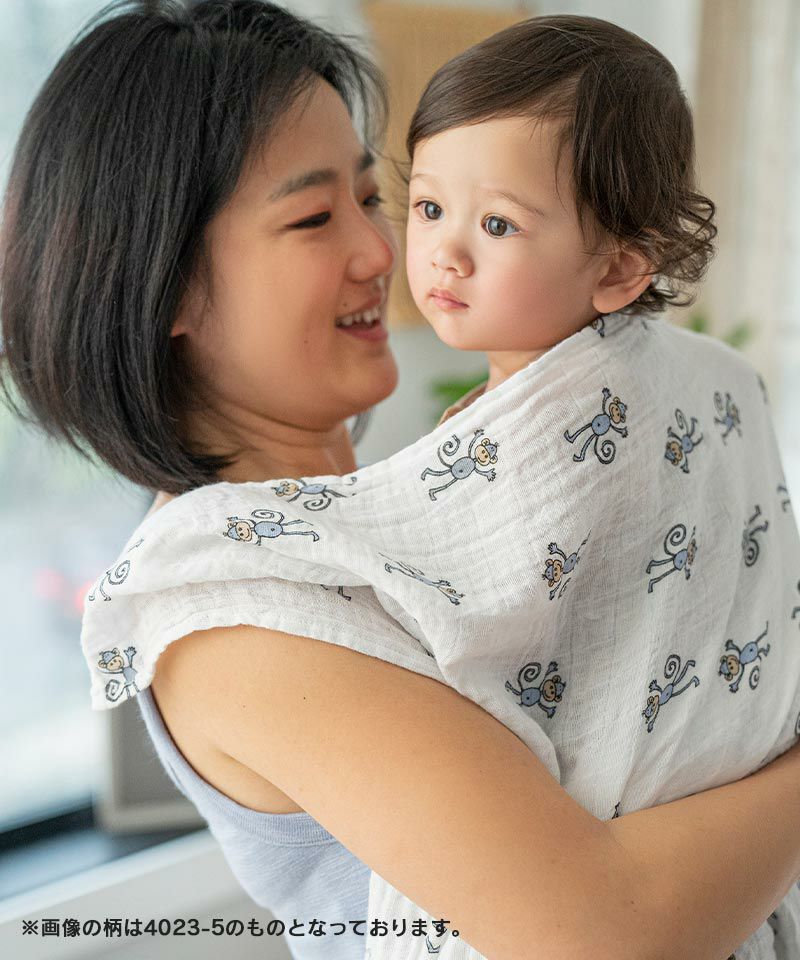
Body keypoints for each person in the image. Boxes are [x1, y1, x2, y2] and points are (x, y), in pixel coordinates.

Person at [2, 3, 799, 960]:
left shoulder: (434, 508)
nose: (386, 254)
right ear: (162, 284)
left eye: (376, 198)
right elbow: (607, 932)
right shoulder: (231, 614)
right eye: (313, 217)